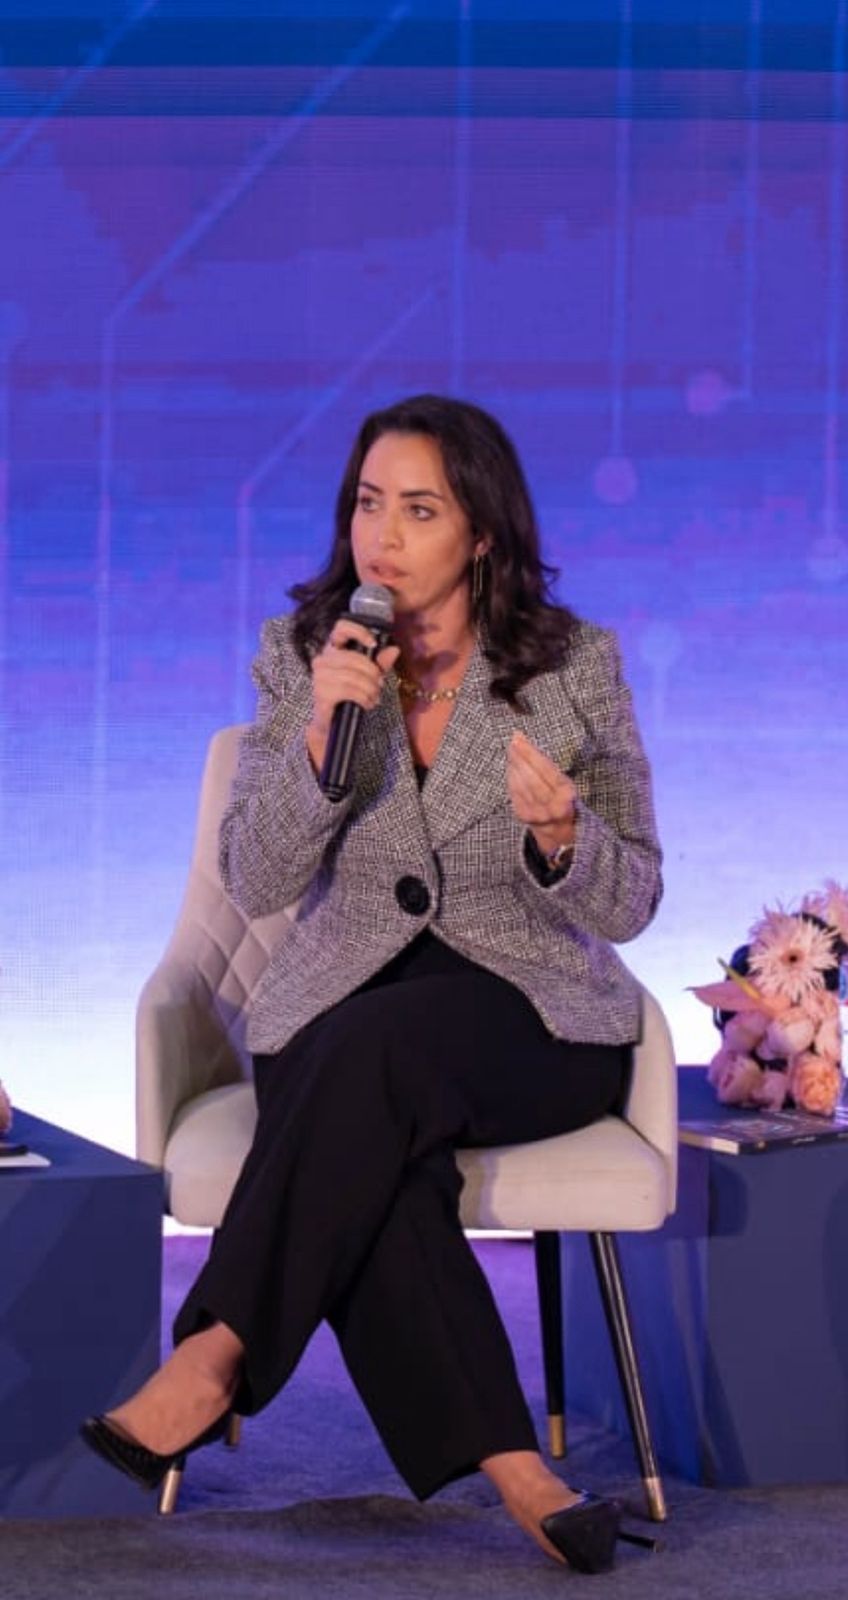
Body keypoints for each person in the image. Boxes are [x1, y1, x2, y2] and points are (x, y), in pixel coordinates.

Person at [82, 395, 662, 1573]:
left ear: (481, 533)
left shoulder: (573, 668)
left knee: (366, 1064)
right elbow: (256, 877)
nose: (380, 536)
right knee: (375, 1140)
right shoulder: (304, 655)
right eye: (365, 503)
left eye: (418, 509)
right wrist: (315, 748)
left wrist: (563, 838)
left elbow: (633, 896)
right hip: (340, 1000)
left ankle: (214, 1354)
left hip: (526, 1010)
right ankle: (522, 1474)